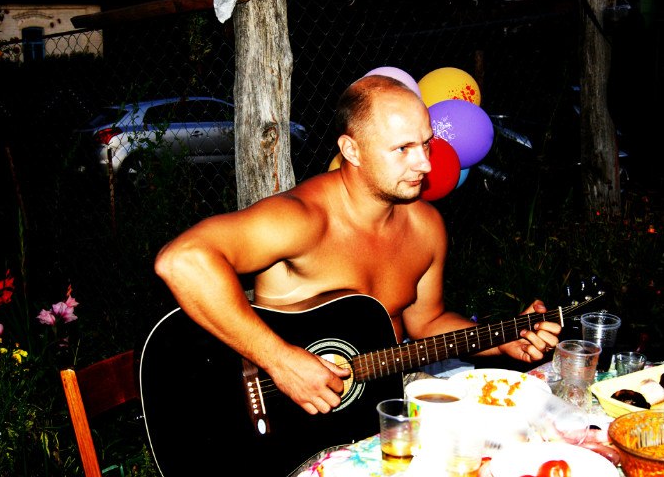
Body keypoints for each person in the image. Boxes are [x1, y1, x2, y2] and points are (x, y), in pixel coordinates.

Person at [154, 74, 561, 416]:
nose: (425, 164)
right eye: (402, 149)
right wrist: (280, 360)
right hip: (288, 420)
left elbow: (426, 323)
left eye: (426, 143)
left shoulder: (426, 226)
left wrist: (502, 338)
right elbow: (182, 260)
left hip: (379, 400)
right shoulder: (302, 219)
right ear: (352, 150)